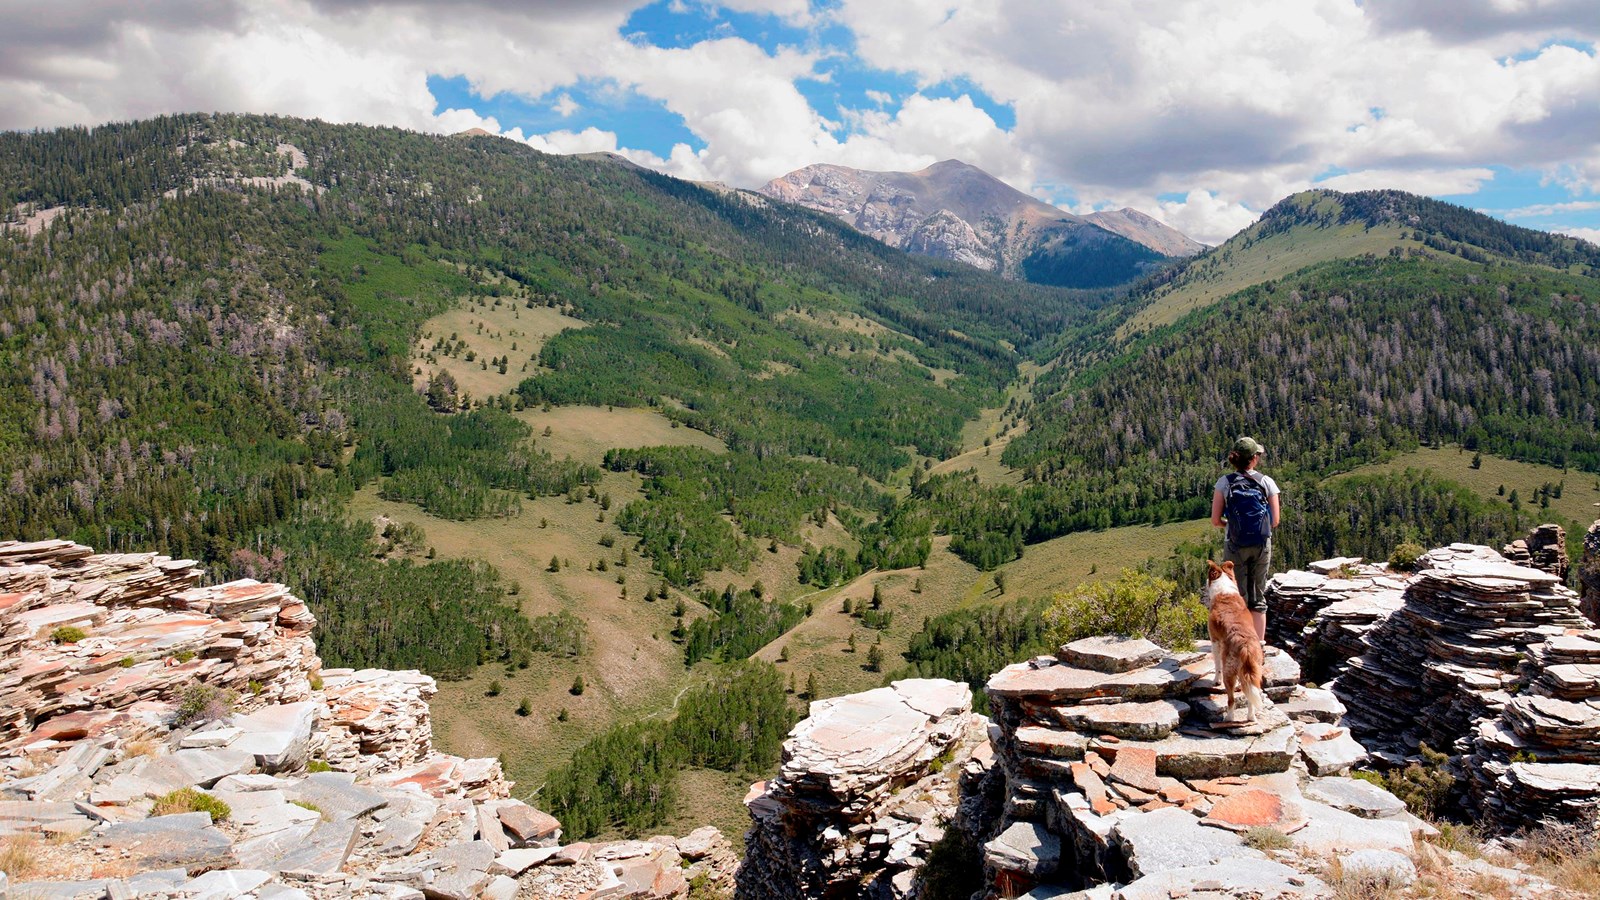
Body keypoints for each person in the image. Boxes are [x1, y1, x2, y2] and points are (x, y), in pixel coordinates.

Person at [1210, 436, 1280, 644]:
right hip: (1261, 545)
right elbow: (1274, 521)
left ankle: (1238, 642)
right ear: (1254, 458)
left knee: (1236, 597)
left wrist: (1230, 525)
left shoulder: (1224, 483)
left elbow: (1215, 520)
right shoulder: (1266, 482)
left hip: (1234, 545)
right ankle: (1258, 645)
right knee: (1258, 597)